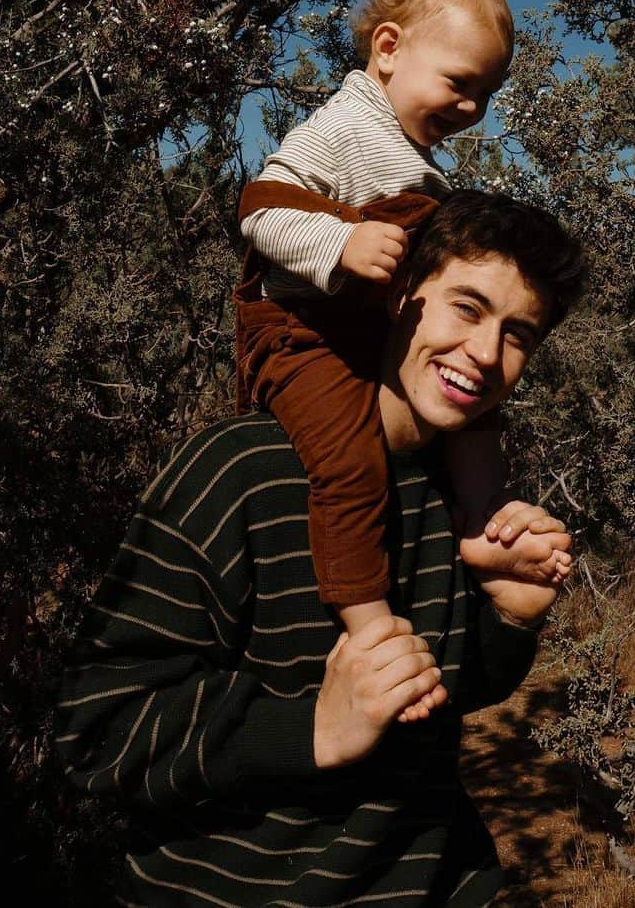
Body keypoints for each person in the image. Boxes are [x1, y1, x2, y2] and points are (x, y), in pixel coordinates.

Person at [57, 190, 584, 906]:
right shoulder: (242, 473)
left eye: (519, 334)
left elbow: (434, 701)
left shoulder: (457, 495)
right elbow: (98, 727)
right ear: (398, 293)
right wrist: (310, 728)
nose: (486, 353)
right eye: (467, 307)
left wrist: (510, 618)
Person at [238, 0, 558, 679]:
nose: (472, 108)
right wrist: (342, 240)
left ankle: (482, 519)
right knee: (351, 464)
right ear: (388, 49)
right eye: (459, 83)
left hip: (356, 327)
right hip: (299, 333)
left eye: (487, 93)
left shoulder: (414, 152)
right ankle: (367, 620)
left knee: (475, 406)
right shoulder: (347, 125)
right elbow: (261, 206)